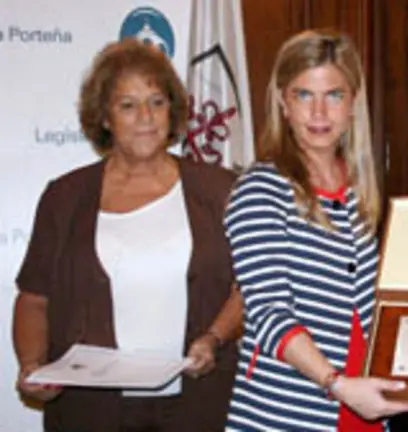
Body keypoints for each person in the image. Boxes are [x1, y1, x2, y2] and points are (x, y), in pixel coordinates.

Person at [13, 39, 242, 431]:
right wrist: (32, 366)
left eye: (156, 102)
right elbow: (34, 299)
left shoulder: (221, 190)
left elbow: (250, 287)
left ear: (173, 109)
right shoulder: (64, 197)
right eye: (128, 105)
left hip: (199, 408)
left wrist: (215, 338)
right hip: (91, 413)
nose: (146, 118)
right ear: (104, 117)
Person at [224, 29, 408, 431]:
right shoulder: (262, 189)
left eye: (333, 95)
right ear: (282, 101)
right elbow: (268, 311)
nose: (318, 113)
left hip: (367, 409)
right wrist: (338, 385)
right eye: (303, 95)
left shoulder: (358, 190)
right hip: (292, 412)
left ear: (353, 105)